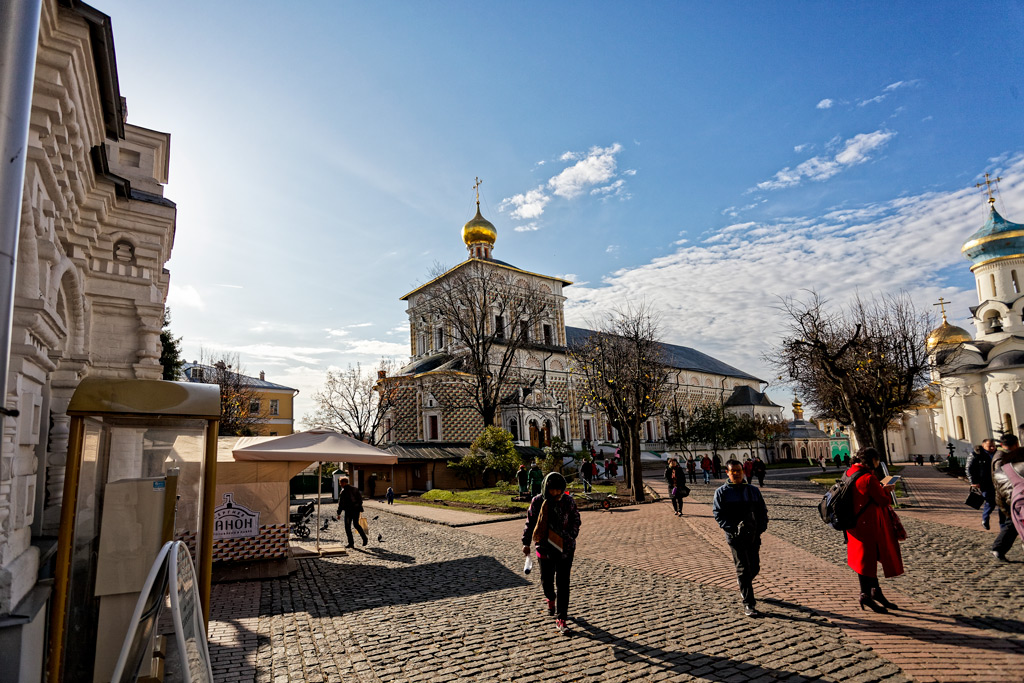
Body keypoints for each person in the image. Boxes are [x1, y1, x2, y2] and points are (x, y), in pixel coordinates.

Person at [843, 447, 903, 613]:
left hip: (853, 523)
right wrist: (887, 490)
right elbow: (883, 501)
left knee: (864, 560)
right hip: (868, 525)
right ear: (872, 461)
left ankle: (875, 592)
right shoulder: (868, 478)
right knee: (866, 561)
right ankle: (865, 595)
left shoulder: (850, 472)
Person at [522, 472, 581, 633]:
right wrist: (526, 542)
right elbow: (530, 522)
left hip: (565, 548)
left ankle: (562, 617)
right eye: (552, 490)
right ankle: (550, 597)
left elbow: (576, 519)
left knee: (563, 583)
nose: (555, 493)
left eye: (558, 490)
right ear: (546, 488)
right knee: (546, 580)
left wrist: (570, 535)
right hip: (544, 547)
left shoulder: (568, 501)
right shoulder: (537, 501)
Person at [713, 459, 769, 616]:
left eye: (739, 470)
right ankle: (749, 604)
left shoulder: (752, 490)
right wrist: (731, 529)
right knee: (743, 568)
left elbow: (761, 510)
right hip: (735, 537)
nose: (736, 474)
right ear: (727, 473)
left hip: (753, 534)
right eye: (733, 471)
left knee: (754, 566)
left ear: (743, 471)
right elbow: (718, 514)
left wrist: (761, 527)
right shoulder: (722, 492)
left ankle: (744, 584)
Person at [991, 433, 1024, 561]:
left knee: (1013, 525)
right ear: (1016, 444)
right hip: (1011, 495)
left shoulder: (1005, 455)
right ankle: (998, 548)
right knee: (1011, 524)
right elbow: (1000, 479)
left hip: (1012, 495)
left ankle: (998, 548)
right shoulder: (1002, 458)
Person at [967, 439, 998, 530]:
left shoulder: (998, 454)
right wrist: (973, 482)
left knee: (1001, 502)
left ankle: (1003, 524)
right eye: (990, 446)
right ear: (983, 445)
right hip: (984, 482)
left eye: (994, 446)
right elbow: (969, 469)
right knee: (990, 501)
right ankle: (985, 518)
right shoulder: (976, 454)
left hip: (998, 481)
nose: (992, 448)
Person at [335, 475, 368, 548]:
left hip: (349, 511)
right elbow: (360, 500)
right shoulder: (355, 489)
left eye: (340, 483)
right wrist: (358, 507)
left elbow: (341, 503)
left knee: (347, 527)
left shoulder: (343, 491)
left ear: (343, 483)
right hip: (356, 510)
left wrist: (338, 513)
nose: (340, 484)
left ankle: (351, 543)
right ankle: (364, 538)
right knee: (356, 524)